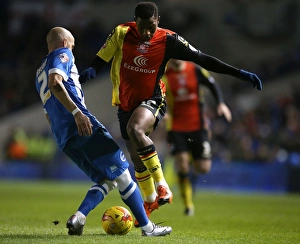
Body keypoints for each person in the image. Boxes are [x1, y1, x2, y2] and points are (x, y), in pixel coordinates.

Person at [79, 2, 262, 225]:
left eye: (151, 27)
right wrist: (92, 69)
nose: (147, 32)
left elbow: (202, 58)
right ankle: (149, 200)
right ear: (135, 21)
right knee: (135, 158)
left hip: (153, 98)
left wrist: (240, 73)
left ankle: (162, 185)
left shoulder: (169, 40)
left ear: (158, 21)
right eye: (142, 27)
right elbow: (102, 57)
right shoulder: (122, 33)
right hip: (125, 103)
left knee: (135, 129)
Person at [35, 26, 172, 237]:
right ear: (64, 43)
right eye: (72, 45)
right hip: (81, 125)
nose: (73, 49)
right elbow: (56, 83)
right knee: (125, 174)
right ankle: (147, 228)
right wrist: (77, 113)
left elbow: (47, 111)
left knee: (107, 180)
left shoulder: (39, 73)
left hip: (63, 136)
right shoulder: (62, 54)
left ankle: (79, 217)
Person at [163, 59, 232, 216]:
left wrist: (220, 103)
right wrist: (162, 112)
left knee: (203, 168)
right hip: (176, 126)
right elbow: (156, 95)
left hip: (198, 126)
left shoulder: (195, 70)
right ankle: (188, 205)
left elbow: (212, 84)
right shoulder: (165, 75)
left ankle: (191, 165)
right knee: (182, 165)